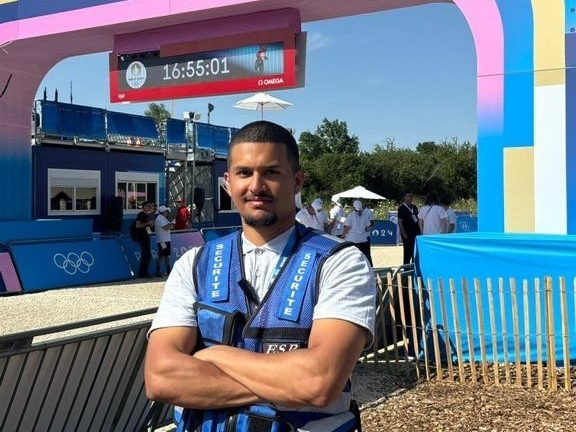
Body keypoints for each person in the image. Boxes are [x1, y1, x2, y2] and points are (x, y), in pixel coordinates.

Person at [145, 120, 376, 432]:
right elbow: (160, 377)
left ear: (296, 181)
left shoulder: (340, 263)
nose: (256, 186)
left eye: (271, 172)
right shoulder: (195, 263)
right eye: (244, 173)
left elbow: (320, 382)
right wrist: (286, 385)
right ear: (228, 182)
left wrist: (215, 355)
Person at [342, 199, 373, 266]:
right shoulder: (365, 215)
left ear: (353, 207)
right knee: (366, 256)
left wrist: (343, 236)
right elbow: (368, 227)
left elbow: (347, 228)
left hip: (352, 240)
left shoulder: (350, 215)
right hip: (363, 239)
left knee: (353, 257)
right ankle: (370, 267)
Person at [397, 192, 421, 264]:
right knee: (407, 253)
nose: (409, 198)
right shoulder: (401, 208)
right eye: (407, 196)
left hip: (416, 233)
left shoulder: (415, 207)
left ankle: (414, 270)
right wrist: (404, 234)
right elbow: (400, 222)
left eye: (410, 196)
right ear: (404, 197)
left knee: (415, 252)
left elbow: (418, 219)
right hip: (407, 234)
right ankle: (406, 271)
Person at [135, 201, 155, 278]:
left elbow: (150, 227)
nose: (149, 207)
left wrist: (151, 224)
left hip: (147, 236)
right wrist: (148, 223)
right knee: (146, 254)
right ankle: (142, 273)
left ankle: (144, 272)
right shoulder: (141, 214)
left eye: (150, 206)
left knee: (147, 255)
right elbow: (138, 225)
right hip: (142, 236)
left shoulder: (149, 215)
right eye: (147, 206)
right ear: (143, 207)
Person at [154, 205, 174, 277]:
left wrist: (171, 225)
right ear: (163, 212)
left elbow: (170, 226)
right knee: (162, 256)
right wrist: (171, 225)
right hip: (162, 241)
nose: (167, 212)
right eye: (166, 211)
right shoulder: (160, 219)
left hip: (165, 240)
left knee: (165, 255)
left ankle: (168, 270)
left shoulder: (163, 218)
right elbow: (167, 227)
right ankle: (158, 271)